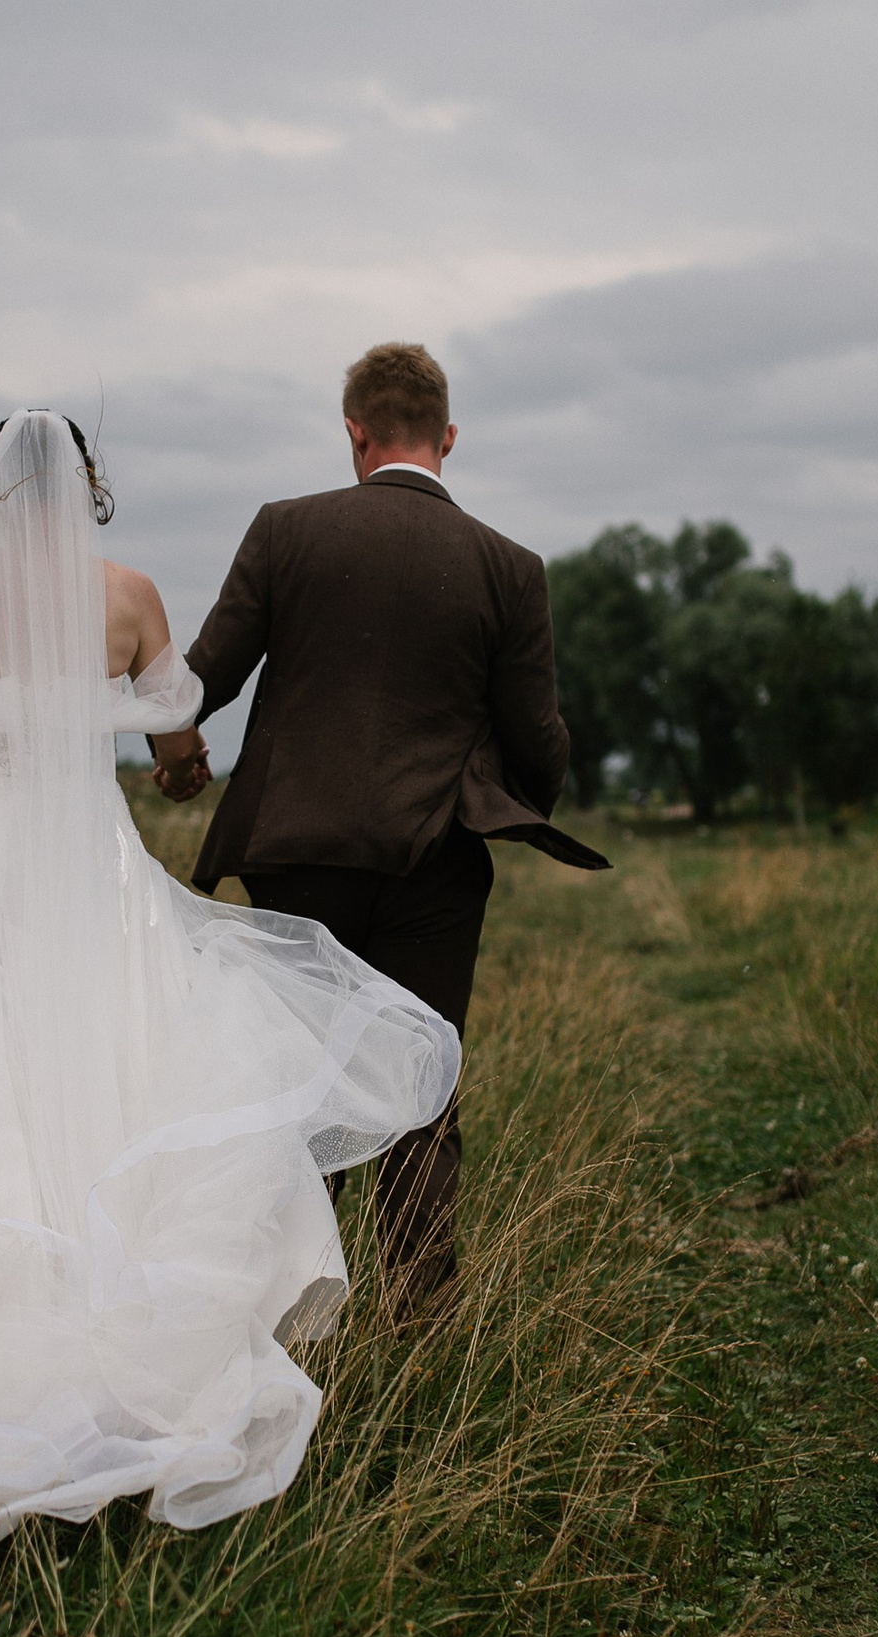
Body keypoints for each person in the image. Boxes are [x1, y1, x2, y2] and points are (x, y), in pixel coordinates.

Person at [0, 410, 458, 1630]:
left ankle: (3, 1318)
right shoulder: (130, 594)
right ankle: (136, 1336)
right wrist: (177, 769)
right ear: (89, 487)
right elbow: (171, 725)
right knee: (128, 1065)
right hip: (91, 865)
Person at [151, 343, 607, 1316]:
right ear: (446, 436)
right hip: (432, 865)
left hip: (294, 860)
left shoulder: (285, 531)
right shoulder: (508, 567)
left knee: (291, 1092)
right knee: (419, 1090)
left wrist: (178, 758)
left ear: (354, 432)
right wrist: (507, 789)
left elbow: (200, 681)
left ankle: (282, 1319)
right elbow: (540, 743)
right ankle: (420, 1317)